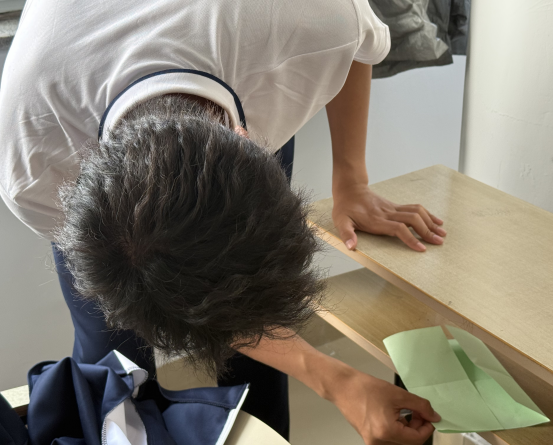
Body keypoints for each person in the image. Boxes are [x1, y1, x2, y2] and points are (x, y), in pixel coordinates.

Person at [0, 1, 447, 443]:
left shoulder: (317, 17)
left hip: (238, 63)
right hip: (74, 131)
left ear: (248, 140)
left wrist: (352, 179)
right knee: (111, 358)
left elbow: (357, 45)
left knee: (254, 315)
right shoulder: (32, 167)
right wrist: (339, 380)